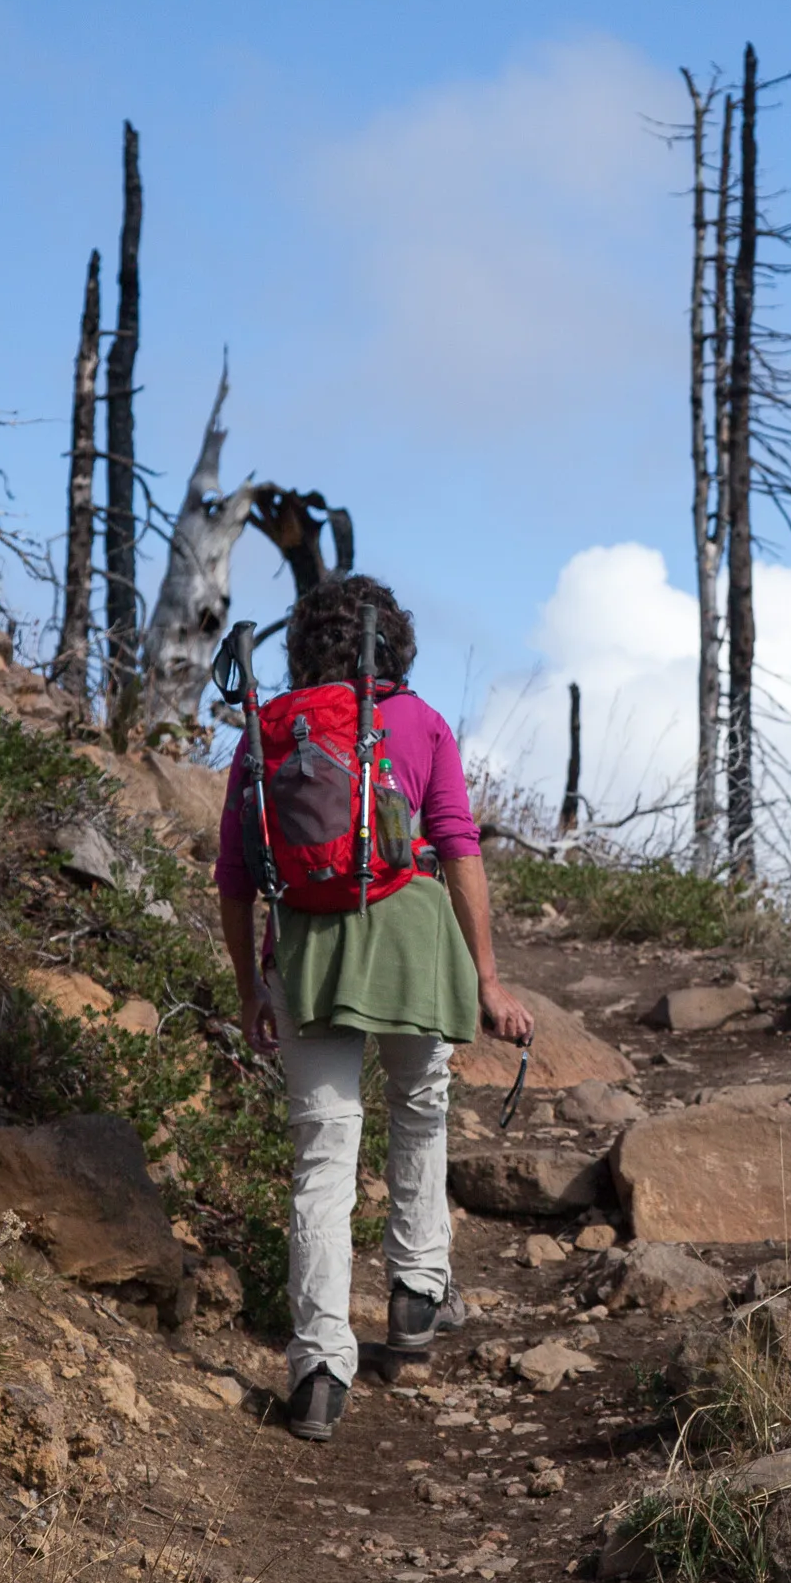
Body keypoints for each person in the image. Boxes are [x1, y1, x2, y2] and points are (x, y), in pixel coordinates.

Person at [214, 574, 533, 1442]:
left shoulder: (267, 733)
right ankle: (416, 1296)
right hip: (412, 944)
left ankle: (318, 1369)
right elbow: (458, 848)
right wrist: (490, 980)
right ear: (396, 644)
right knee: (420, 1113)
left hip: (309, 950)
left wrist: (254, 993)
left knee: (323, 1157)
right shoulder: (422, 724)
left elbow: (235, 881)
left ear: (301, 646)